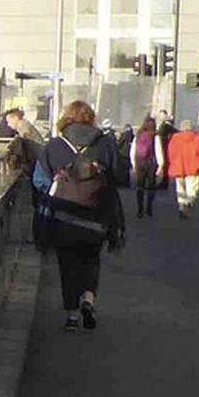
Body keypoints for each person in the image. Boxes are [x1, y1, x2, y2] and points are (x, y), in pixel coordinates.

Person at [38, 101, 126, 329]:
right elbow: (119, 175)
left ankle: (71, 314)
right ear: (91, 118)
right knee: (91, 259)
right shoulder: (105, 143)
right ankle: (88, 297)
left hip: (64, 216)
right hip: (97, 215)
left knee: (67, 264)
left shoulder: (55, 145)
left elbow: (40, 180)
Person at [164, 118, 199, 218]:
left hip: (178, 165)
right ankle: (189, 201)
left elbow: (170, 152)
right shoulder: (196, 138)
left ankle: (182, 204)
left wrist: (172, 162)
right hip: (193, 166)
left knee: (180, 187)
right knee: (193, 187)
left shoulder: (175, 138)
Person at [130, 115, 160, 218]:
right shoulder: (155, 136)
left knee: (140, 186)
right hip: (151, 163)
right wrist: (161, 165)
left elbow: (133, 151)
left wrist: (134, 164)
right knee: (151, 187)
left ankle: (140, 209)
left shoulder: (138, 135)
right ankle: (149, 208)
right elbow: (158, 151)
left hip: (139, 162)